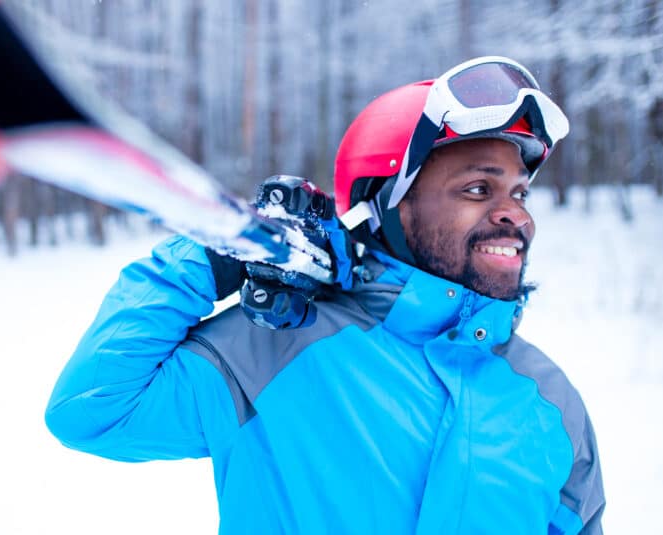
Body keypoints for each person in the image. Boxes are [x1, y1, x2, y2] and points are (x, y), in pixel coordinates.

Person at [45, 56, 605, 534]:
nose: (515, 216)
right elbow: (91, 411)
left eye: (519, 193)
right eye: (478, 189)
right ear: (388, 205)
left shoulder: (551, 403)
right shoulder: (275, 348)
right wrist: (213, 259)